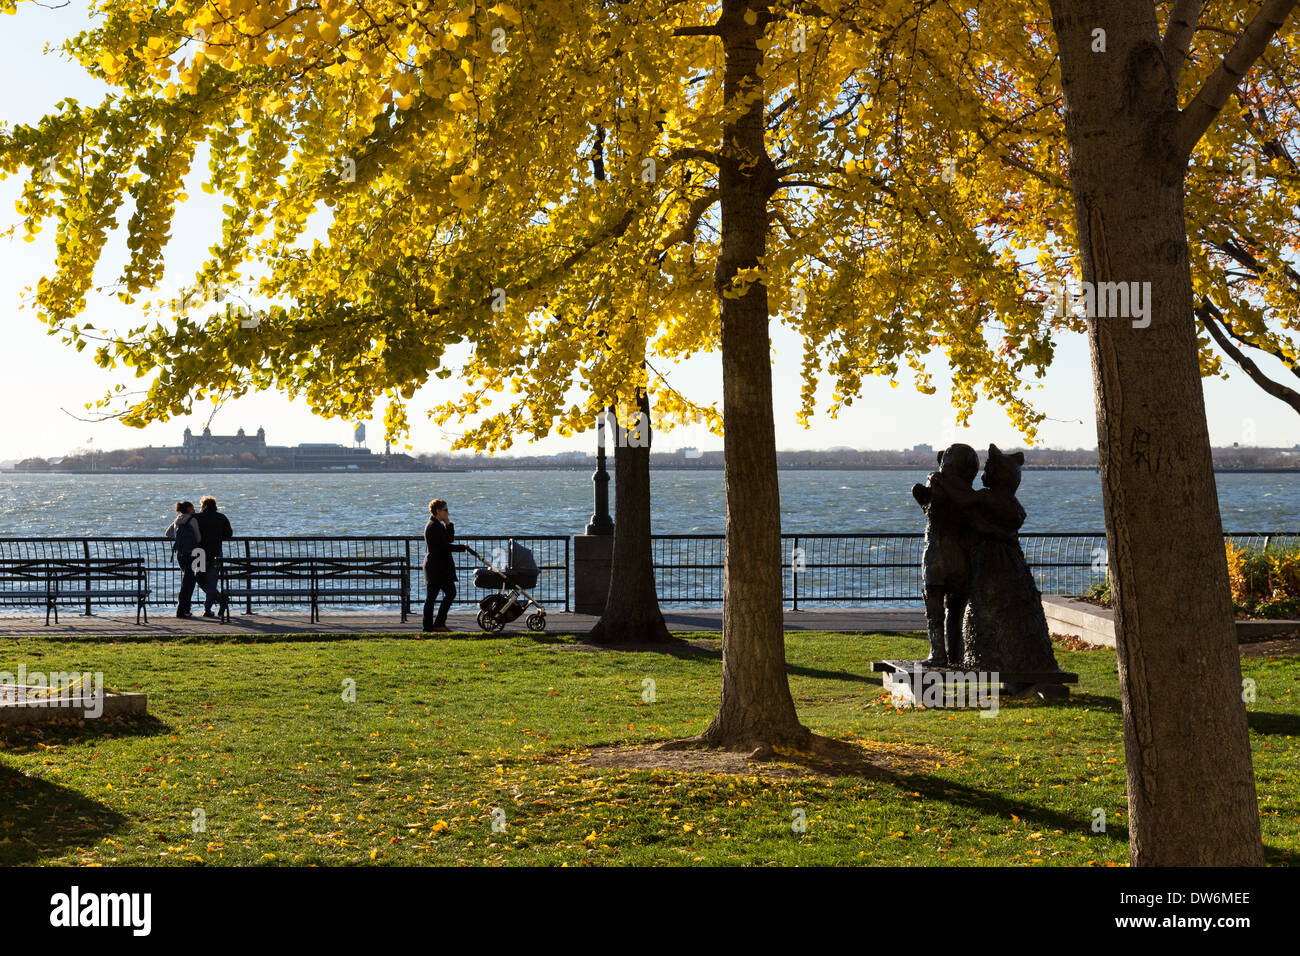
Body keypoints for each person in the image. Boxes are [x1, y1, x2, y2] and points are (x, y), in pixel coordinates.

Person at [423, 498, 467, 633]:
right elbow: (445, 546)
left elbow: (449, 538)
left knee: (434, 597)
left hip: (437, 567)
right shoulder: (433, 526)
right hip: (437, 568)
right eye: (446, 510)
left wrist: (448, 524)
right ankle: (436, 624)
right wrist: (462, 547)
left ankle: (431, 626)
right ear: (438, 511)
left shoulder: (437, 524)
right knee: (446, 594)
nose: (448, 512)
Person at [195, 495, 233, 618]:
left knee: (200, 580)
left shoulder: (197, 518)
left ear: (204, 506)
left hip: (199, 554)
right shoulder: (221, 517)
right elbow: (228, 535)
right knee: (212, 582)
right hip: (216, 554)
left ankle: (210, 606)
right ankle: (218, 602)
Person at [165, 501, 203, 619]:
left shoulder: (177, 520)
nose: (194, 509)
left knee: (188, 580)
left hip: (180, 554)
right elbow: (198, 537)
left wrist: (179, 537)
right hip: (192, 554)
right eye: (192, 507)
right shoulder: (192, 520)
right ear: (188, 508)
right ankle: (182, 610)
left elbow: (167, 533)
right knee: (189, 582)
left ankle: (185, 609)